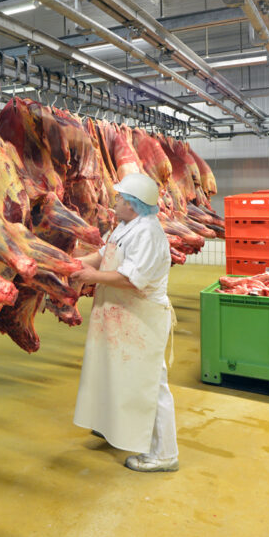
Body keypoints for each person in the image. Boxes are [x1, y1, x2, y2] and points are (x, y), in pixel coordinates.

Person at [71, 172, 178, 473]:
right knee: (113, 372)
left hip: (141, 316)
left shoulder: (148, 233)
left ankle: (164, 453)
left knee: (150, 384)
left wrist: (91, 278)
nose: (114, 202)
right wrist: (71, 263)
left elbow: (134, 279)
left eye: (119, 198)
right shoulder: (125, 226)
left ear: (133, 205)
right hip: (119, 313)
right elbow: (104, 255)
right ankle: (113, 428)